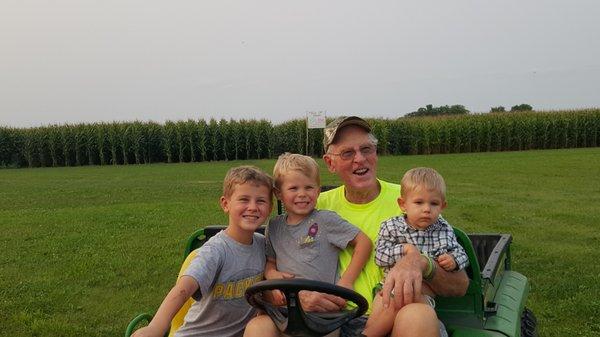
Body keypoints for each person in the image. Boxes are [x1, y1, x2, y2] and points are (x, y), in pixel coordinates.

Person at [316, 116, 470, 337]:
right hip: (334, 318)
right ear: (330, 163)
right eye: (347, 153)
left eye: (366, 149)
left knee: (418, 316)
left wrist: (422, 263)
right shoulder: (317, 207)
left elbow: (460, 285)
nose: (360, 159)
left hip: (401, 317)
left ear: (376, 154)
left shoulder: (413, 200)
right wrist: (303, 295)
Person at [131, 166, 273, 337]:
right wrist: (155, 327)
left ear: (270, 208)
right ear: (225, 204)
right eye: (244, 199)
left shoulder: (263, 245)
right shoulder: (216, 250)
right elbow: (183, 289)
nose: (252, 207)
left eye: (261, 201)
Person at [244, 152, 372, 337]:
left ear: (318, 191)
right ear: (279, 193)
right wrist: (271, 274)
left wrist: (347, 281)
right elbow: (271, 261)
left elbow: (364, 242)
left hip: (323, 314)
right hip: (284, 310)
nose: (302, 194)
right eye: (294, 188)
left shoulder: (325, 221)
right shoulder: (274, 226)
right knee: (257, 328)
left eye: (309, 187)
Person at [363, 167, 469, 337]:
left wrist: (453, 259)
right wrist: (406, 249)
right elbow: (380, 256)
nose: (427, 209)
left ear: (443, 206)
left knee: (417, 307)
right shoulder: (392, 227)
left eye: (434, 204)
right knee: (386, 307)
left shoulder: (443, 230)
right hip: (390, 288)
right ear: (403, 204)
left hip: (422, 293)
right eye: (419, 203)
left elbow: (461, 253)